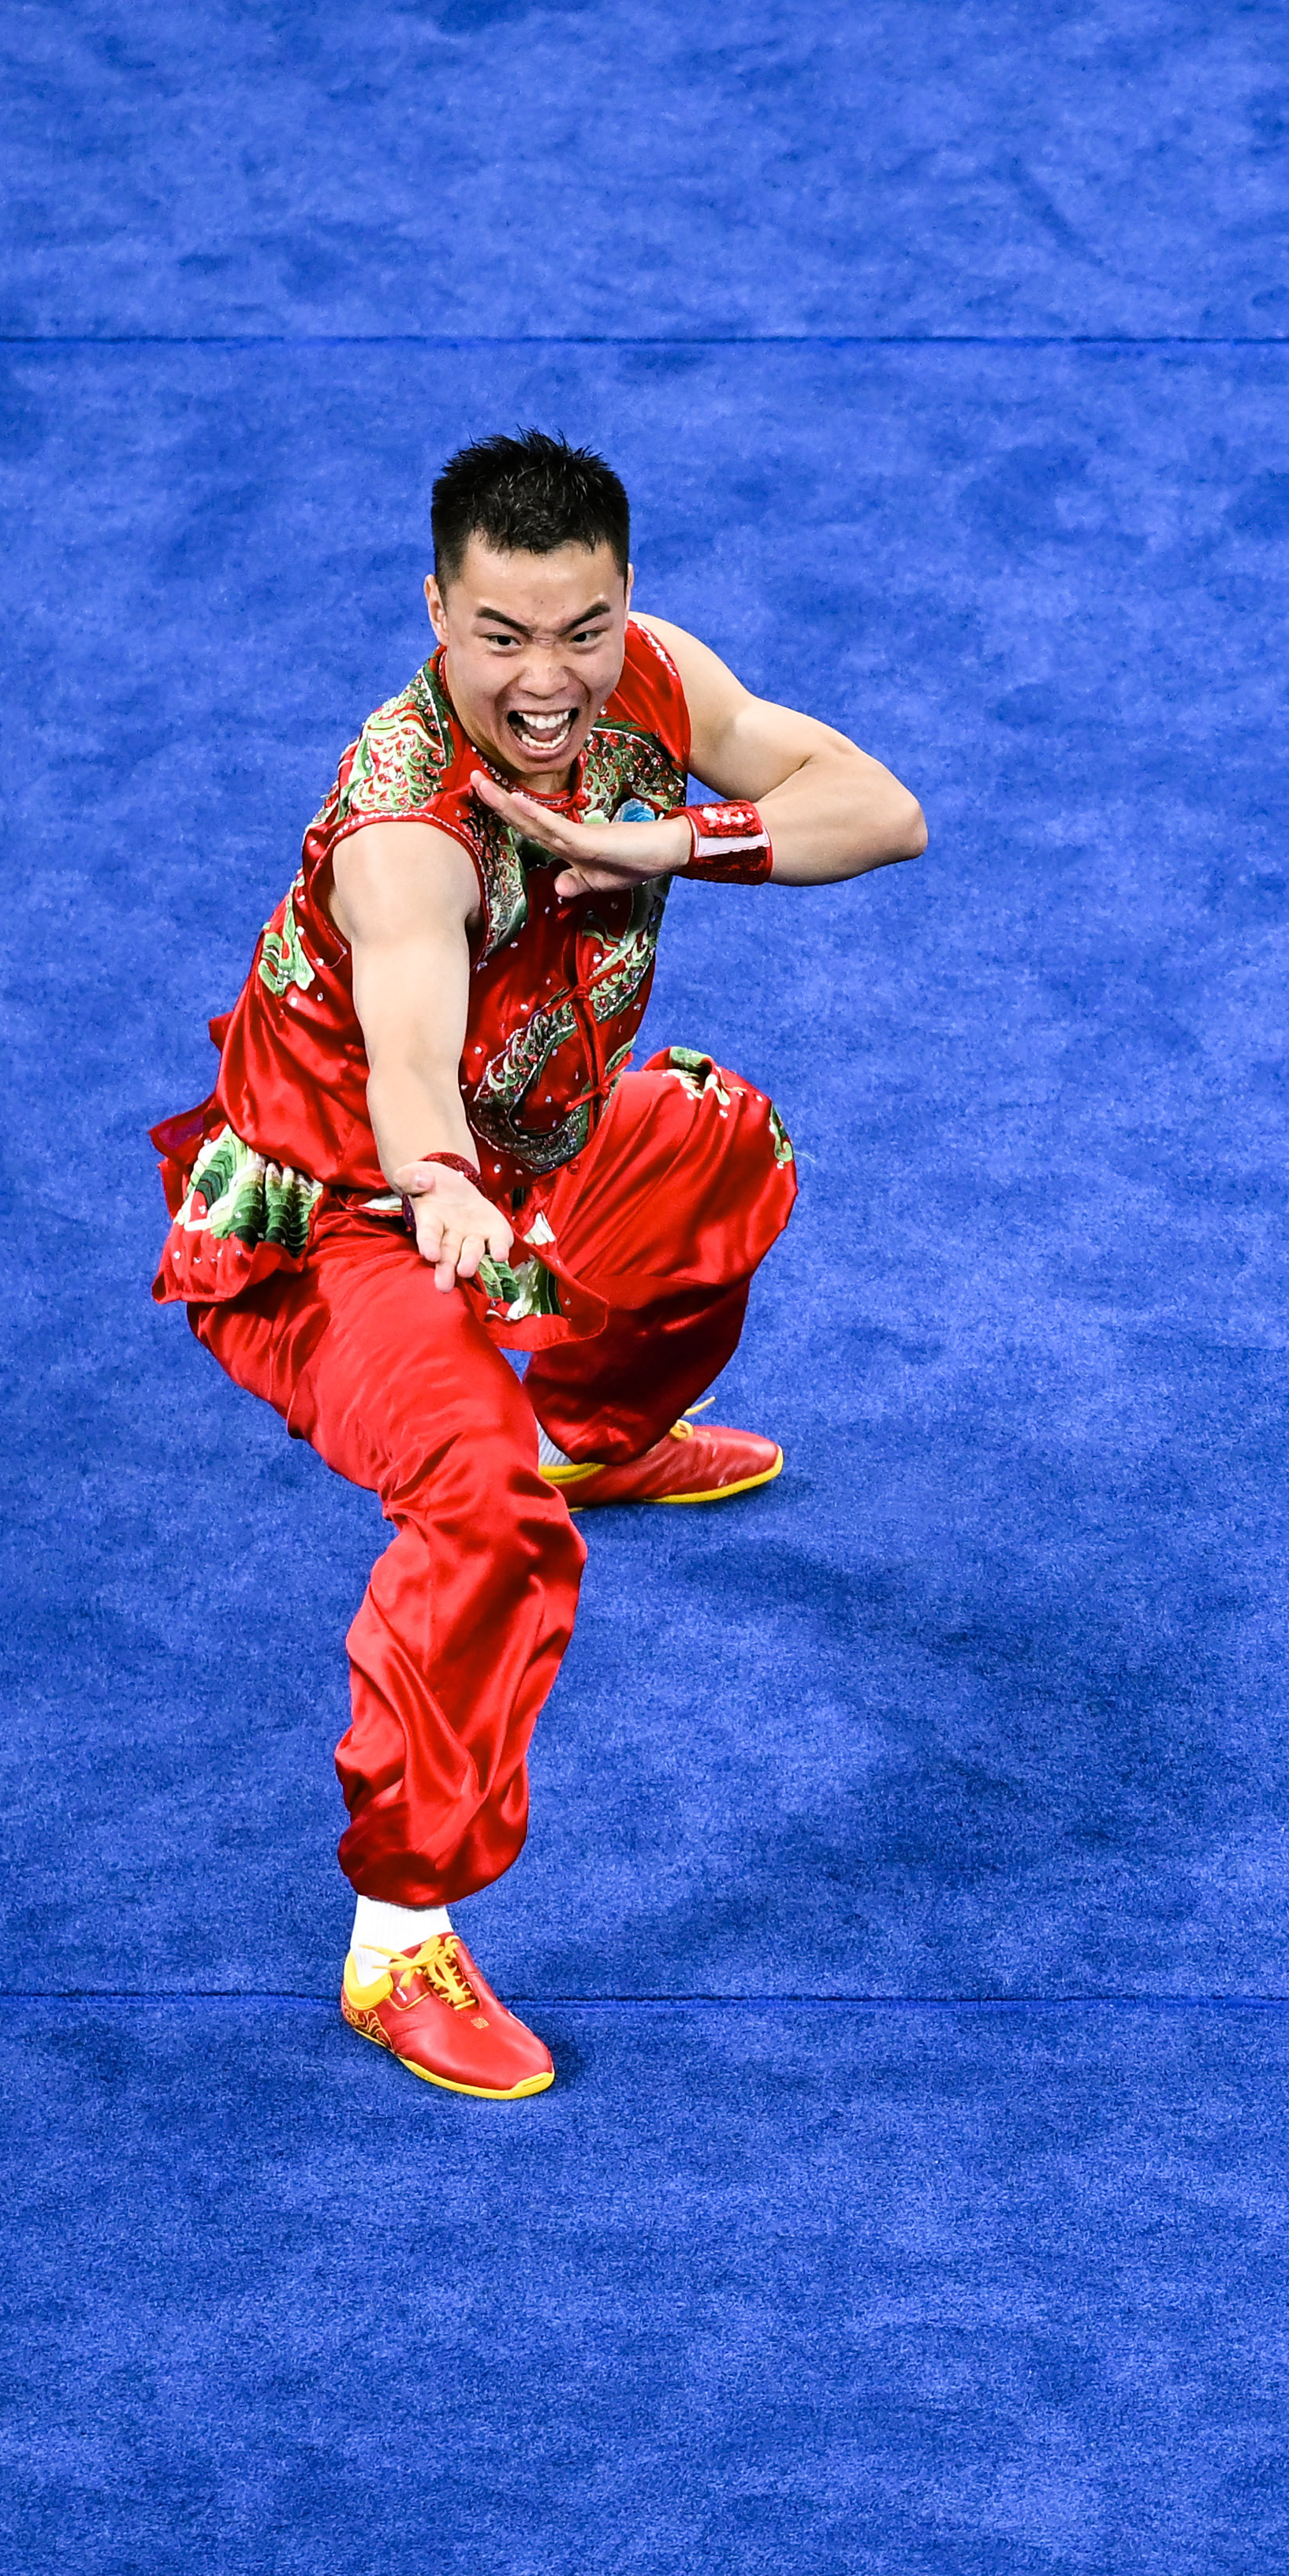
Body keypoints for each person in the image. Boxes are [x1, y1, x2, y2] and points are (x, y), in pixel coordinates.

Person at [148, 431, 926, 2099]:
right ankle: (397, 1934)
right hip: (340, 1226)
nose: (546, 675)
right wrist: (430, 1181)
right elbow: (415, 1037)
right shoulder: (403, 823)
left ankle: (601, 1428)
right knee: (480, 1511)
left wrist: (680, 844)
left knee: (721, 1142)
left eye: (578, 627)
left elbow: (882, 811)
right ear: (438, 612)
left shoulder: (654, 684)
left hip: (535, 1161)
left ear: (624, 600)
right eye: (501, 633)